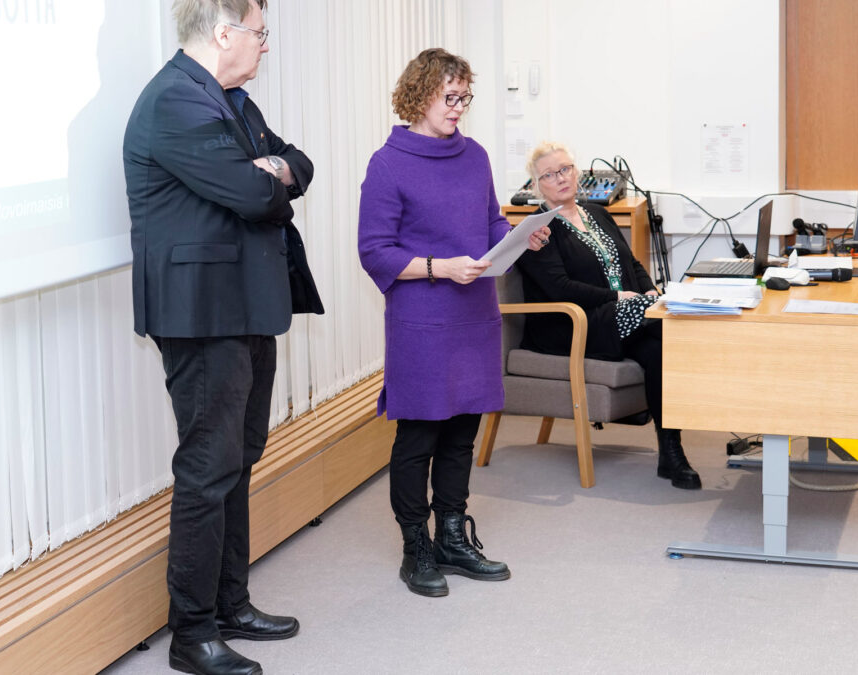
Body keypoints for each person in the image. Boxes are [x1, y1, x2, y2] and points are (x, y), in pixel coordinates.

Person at [123, 1, 323, 673]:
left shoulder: (231, 101)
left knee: (239, 454)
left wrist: (276, 169)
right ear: (223, 32)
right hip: (201, 312)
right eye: (260, 33)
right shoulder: (177, 101)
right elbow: (256, 195)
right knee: (209, 468)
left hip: (246, 302)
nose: (266, 46)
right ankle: (193, 631)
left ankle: (232, 602)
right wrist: (266, 176)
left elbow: (299, 163)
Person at [357, 48, 550, 598]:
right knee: (419, 436)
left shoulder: (475, 156)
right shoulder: (388, 163)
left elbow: (488, 221)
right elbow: (375, 252)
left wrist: (517, 235)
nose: (459, 107)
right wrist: (440, 268)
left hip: (474, 315)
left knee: (463, 432)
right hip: (422, 318)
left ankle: (452, 537)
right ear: (419, 95)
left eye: (466, 97)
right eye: (451, 97)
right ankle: (415, 546)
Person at [515, 142, 701, 490]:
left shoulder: (597, 213)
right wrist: (619, 296)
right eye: (549, 174)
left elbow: (631, 263)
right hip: (571, 324)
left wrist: (647, 291)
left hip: (621, 318)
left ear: (577, 172)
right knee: (659, 320)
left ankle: (671, 453)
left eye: (566, 169)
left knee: (660, 349)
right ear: (536, 186)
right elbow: (559, 288)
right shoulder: (536, 231)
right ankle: (655, 315)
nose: (561, 178)